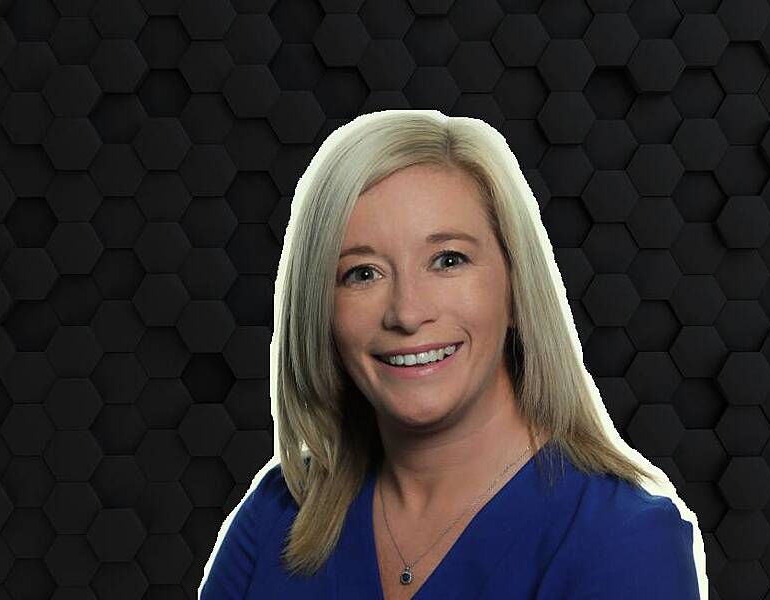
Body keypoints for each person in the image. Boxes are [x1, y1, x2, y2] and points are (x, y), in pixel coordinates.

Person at [200, 110, 705, 599]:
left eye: (448, 260)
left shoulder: (626, 543)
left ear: (515, 288)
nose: (407, 312)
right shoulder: (276, 516)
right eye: (362, 273)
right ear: (321, 311)